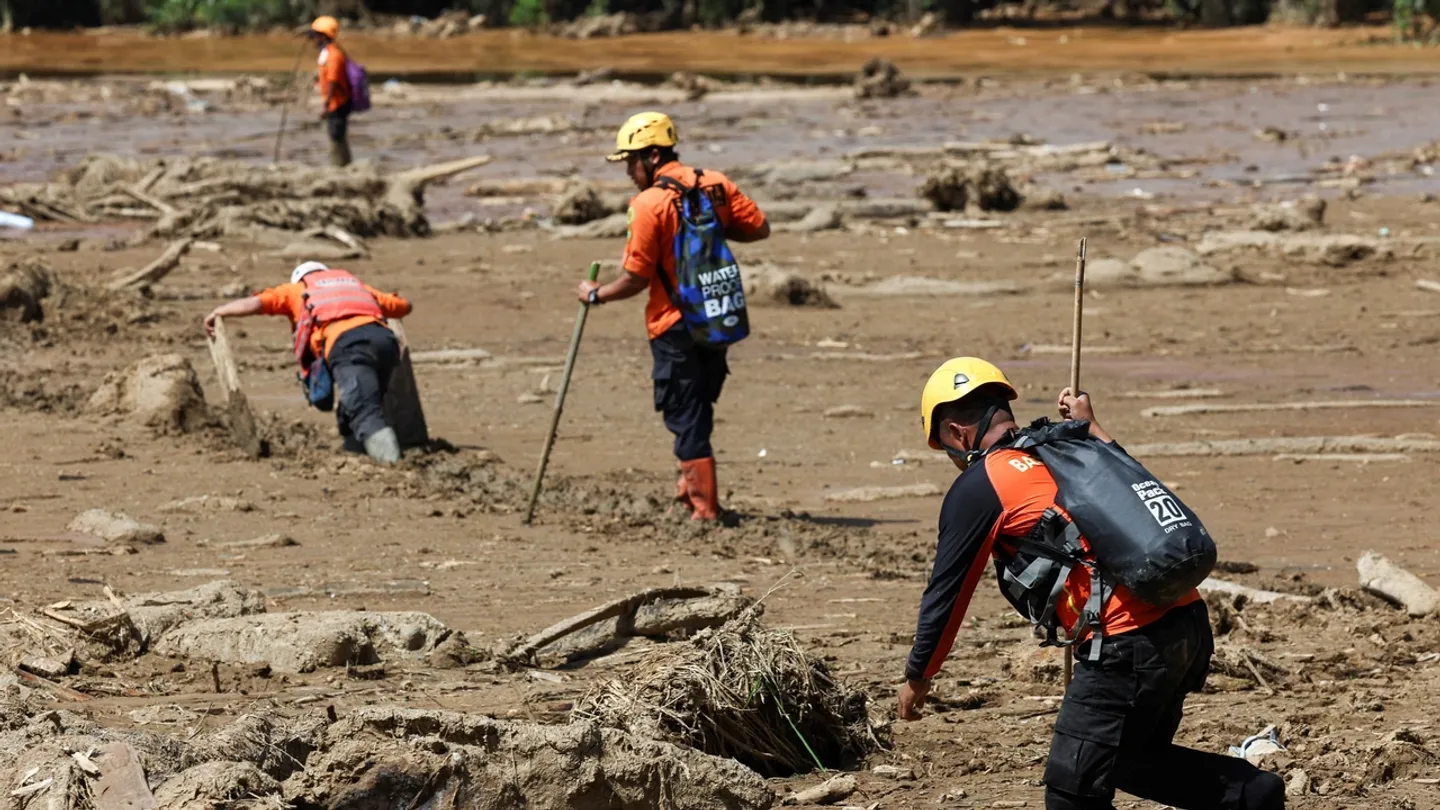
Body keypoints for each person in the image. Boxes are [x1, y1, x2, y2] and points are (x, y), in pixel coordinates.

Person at [899, 358, 1285, 810]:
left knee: (1071, 794)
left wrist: (919, 675)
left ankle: (1257, 798)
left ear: (956, 433)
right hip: (1187, 625)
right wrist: (1093, 426)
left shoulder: (982, 483)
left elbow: (948, 592)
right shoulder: (1071, 444)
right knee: (1132, 761)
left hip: (1127, 645)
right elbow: (1139, 488)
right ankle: (1256, 795)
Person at [576, 111, 770, 521]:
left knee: (684, 412)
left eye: (631, 161)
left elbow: (635, 278)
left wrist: (597, 295)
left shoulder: (648, 205)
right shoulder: (716, 183)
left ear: (652, 155)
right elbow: (757, 228)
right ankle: (690, 492)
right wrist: (710, 228)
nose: (629, 171)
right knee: (698, 407)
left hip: (672, 323)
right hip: (717, 316)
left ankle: (704, 509)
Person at [204, 262, 412, 464]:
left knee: (364, 410)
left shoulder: (298, 290)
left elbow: (257, 303)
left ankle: (393, 466)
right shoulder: (355, 285)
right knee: (364, 397)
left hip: (348, 346)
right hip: (385, 342)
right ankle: (357, 448)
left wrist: (220, 311)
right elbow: (401, 306)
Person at [308, 16, 352, 167]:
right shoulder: (327, 53)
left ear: (323, 36)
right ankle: (344, 165)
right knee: (338, 137)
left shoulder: (333, 55)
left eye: (315, 37)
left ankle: (340, 166)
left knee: (336, 136)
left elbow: (333, 80)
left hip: (337, 103)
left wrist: (326, 105)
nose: (313, 40)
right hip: (335, 102)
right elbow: (327, 77)